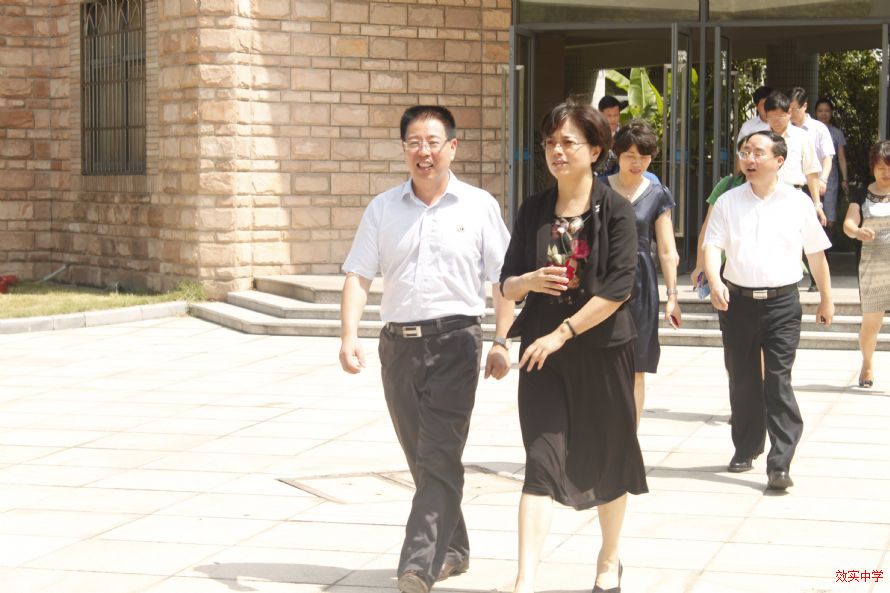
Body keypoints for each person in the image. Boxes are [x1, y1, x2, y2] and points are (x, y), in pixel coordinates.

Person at [339, 105, 515, 593]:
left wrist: (501, 340)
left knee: (439, 451)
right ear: (404, 150)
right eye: (414, 142)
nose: (424, 151)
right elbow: (358, 274)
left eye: (433, 142)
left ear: (452, 147)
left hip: (456, 342)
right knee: (423, 455)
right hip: (398, 347)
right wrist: (349, 335)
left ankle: (417, 564)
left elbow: (503, 279)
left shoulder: (478, 206)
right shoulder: (382, 208)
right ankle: (453, 547)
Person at [499, 98, 647, 593]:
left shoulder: (617, 210)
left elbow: (618, 289)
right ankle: (525, 580)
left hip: (602, 351)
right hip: (541, 356)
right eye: (550, 143)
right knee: (540, 461)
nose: (556, 151)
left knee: (609, 454)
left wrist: (563, 333)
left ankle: (609, 559)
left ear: (596, 149)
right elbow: (506, 284)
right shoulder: (533, 209)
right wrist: (528, 282)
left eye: (568, 142)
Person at [703, 131, 834, 491]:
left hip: (781, 304)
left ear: (779, 161)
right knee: (742, 379)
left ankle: (780, 463)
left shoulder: (798, 202)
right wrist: (714, 281)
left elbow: (816, 253)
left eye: (758, 153)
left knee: (778, 380)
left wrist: (826, 297)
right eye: (745, 152)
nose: (749, 158)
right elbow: (712, 246)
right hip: (737, 303)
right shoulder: (728, 201)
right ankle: (746, 448)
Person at [601, 119, 681, 425]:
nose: (637, 163)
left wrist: (672, 296)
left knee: (637, 365)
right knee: (601, 362)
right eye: (630, 156)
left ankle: (628, 438)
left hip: (641, 282)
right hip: (603, 278)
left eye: (644, 157)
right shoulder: (598, 188)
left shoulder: (657, 193)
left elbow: (667, 249)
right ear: (617, 154)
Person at [842, 140, 890, 389]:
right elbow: (849, 224)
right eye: (881, 168)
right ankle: (867, 362)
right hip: (873, 268)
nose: (886, 173)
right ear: (873, 167)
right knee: (871, 324)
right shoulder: (861, 193)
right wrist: (858, 231)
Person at [763, 91, 826, 226]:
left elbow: (811, 172)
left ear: (789, 113)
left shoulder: (802, 137)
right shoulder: (760, 138)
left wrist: (817, 204)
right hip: (765, 198)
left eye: (780, 116)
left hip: (794, 196)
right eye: (771, 117)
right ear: (766, 115)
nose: (776, 121)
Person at [815, 97, 849, 233]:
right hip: (811, 175)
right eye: (820, 111)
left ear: (831, 113)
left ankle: (828, 245)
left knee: (829, 219)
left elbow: (841, 158)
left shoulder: (837, 133)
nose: (823, 114)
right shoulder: (808, 130)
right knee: (812, 215)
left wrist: (845, 179)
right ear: (815, 113)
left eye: (827, 111)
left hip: (831, 177)